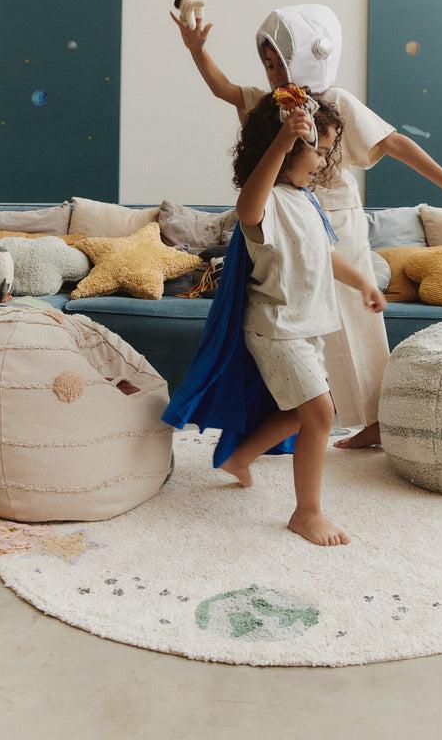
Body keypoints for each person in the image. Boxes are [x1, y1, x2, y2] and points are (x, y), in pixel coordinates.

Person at [170, 3, 442, 449]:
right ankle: (282, 420)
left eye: (279, 63)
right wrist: (196, 50)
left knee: (354, 320)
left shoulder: (336, 102)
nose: (273, 73)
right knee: (283, 318)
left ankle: (374, 419)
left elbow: (393, 142)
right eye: (267, 64)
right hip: (285, 216)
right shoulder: (270, 108)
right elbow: (225, 89)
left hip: (335, 217)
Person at [164, 86, 386, 546]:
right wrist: (282, 142)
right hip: (277, 329)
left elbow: (325, 256)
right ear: (287, 147)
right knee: (321, 414)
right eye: (319, 151)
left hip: (308, 327)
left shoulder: (306, 200)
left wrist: (363, 282)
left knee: (295, 415)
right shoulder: (267, 201)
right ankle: (307, 513)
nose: (324, 161)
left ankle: (239, 458)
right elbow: (247, 208)